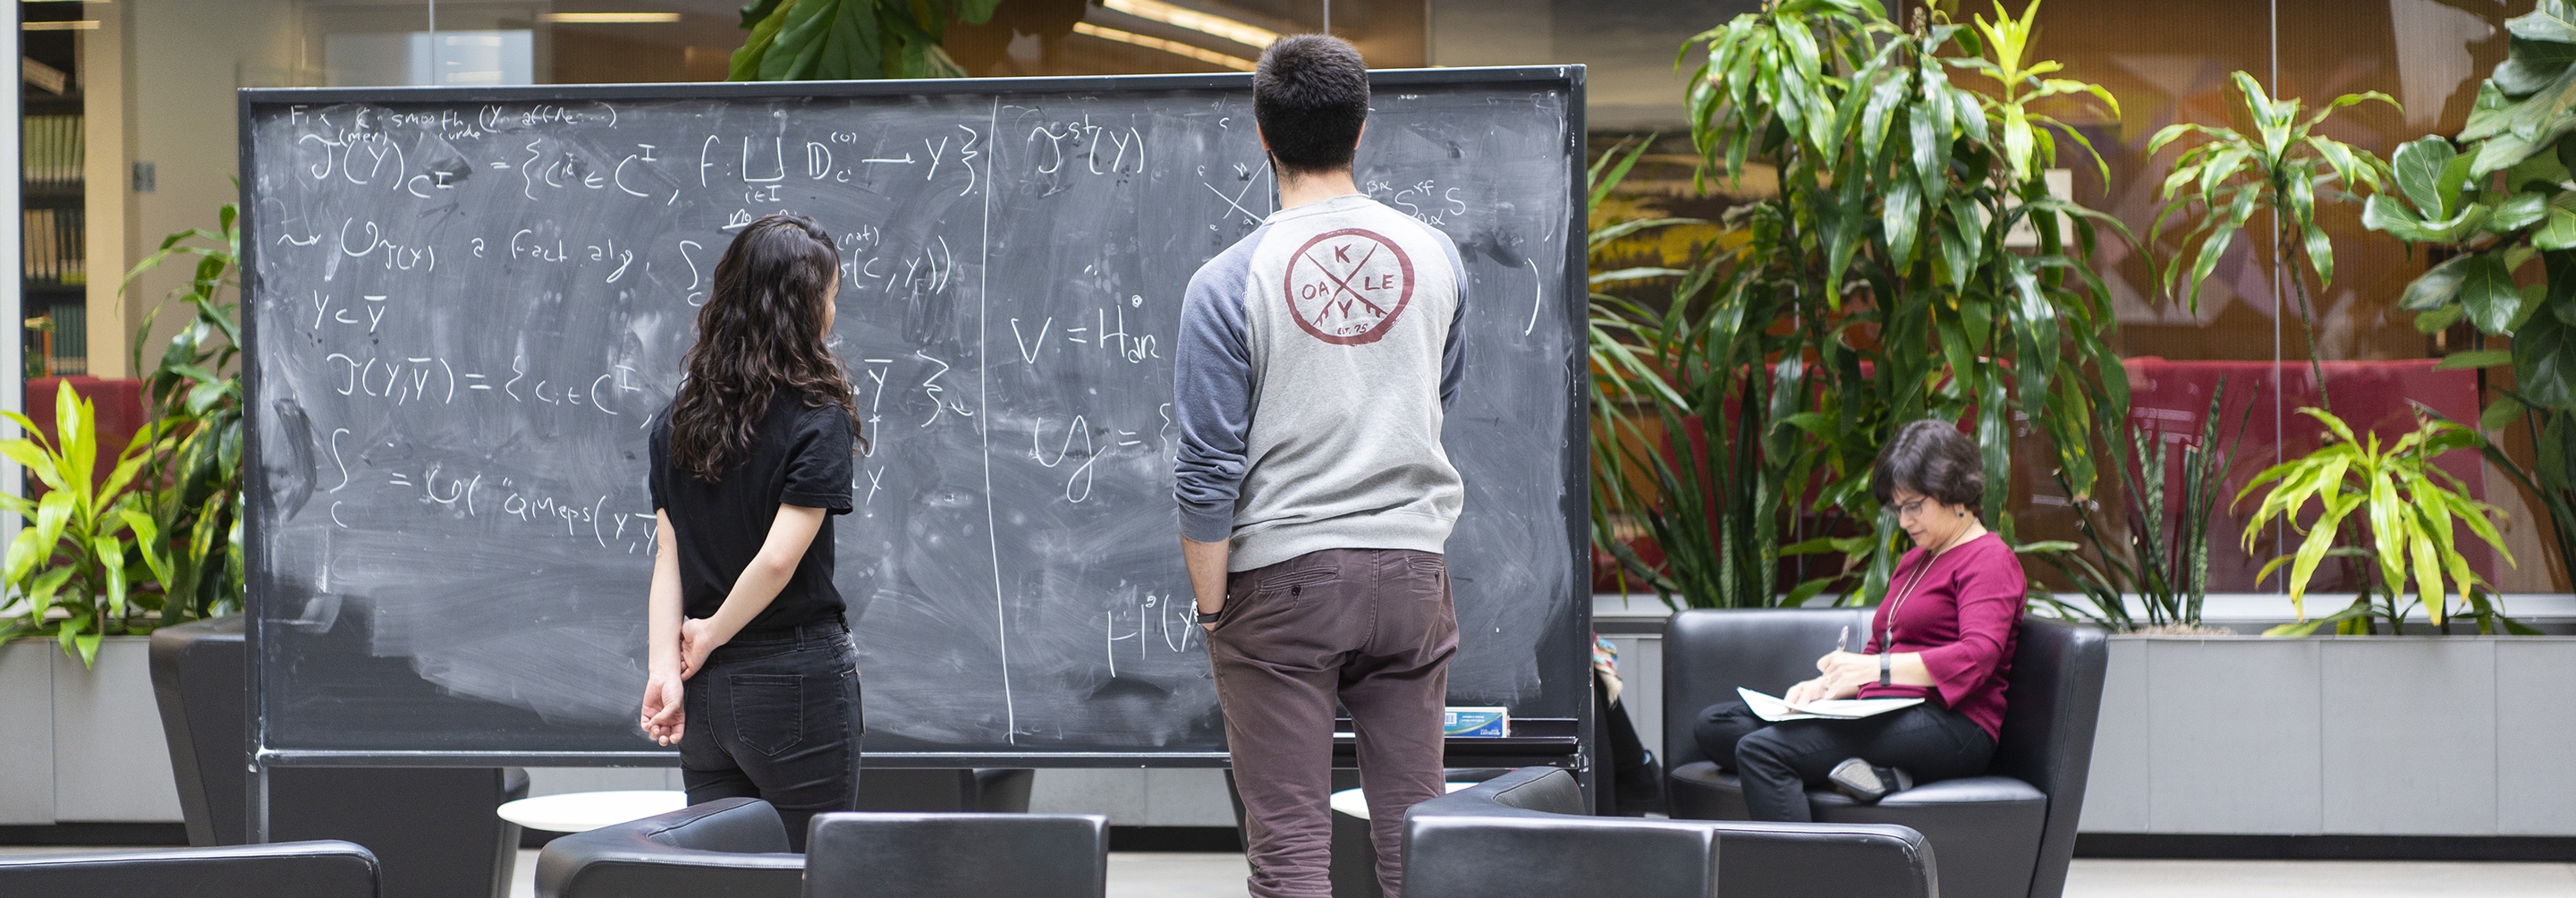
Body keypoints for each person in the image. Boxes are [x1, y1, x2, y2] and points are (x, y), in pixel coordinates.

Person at [1173, 34, 1470, 898]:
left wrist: (1212, 608)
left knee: (1293, 857)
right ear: (1362, 129)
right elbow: (1436, 395)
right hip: (1413, 574)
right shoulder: (1436, 257)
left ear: (1261, 134)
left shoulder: (1227, 281)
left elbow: (1206, 467)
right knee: (1418, 839)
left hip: (1282, 582)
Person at [638, 213, 866, 851]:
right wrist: (705, 636)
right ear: (801, 308)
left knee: (725, 879)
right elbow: (777, 561)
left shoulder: (676, 420)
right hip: (792, 681)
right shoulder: (817, 416)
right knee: (809, 870)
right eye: (829, 297)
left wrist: (668, 668)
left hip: (706, 697)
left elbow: (668, 558)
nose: (831, 313)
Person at [1690, 419, 2025, 822]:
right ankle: (1875, 775)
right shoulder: (1916, 560)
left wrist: (1875, 671)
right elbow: (1882, 642)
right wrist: (1826, 686)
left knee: (1762, 750)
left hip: (1952, 726)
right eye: (1898, 509)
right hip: (1884, 709)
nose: (1904, 522)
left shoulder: (1989, 559)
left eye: (1913, 506)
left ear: (1953, 490)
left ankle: (1807, 879)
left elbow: (1977, 656)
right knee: (1717, 725)